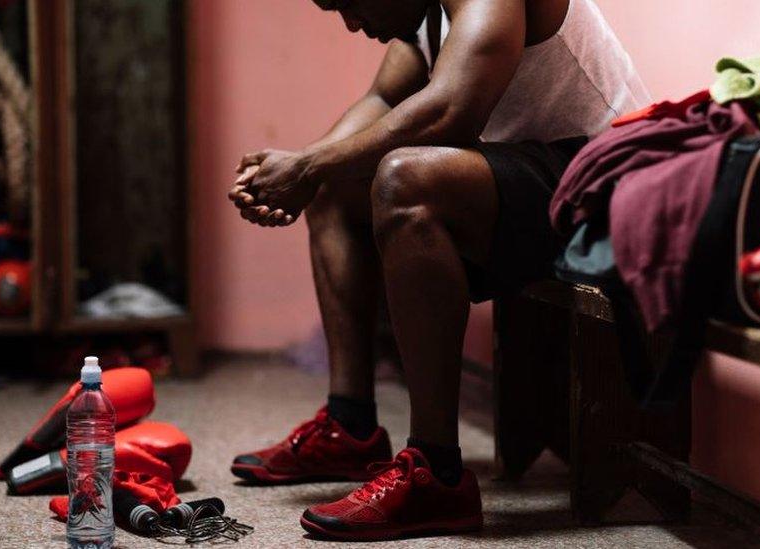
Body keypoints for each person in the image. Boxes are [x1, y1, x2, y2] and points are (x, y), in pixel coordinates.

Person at [227, 0, 649, 540]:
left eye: (350, 4)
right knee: (337, 184)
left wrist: (309, 165)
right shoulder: (424, 15)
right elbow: (381, 100)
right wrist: (306, 168)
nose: (353, 24)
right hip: (540, 180)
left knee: (404, 178)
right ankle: (349, 426)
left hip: (608, 185)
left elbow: (454, 108)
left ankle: (437, 473)